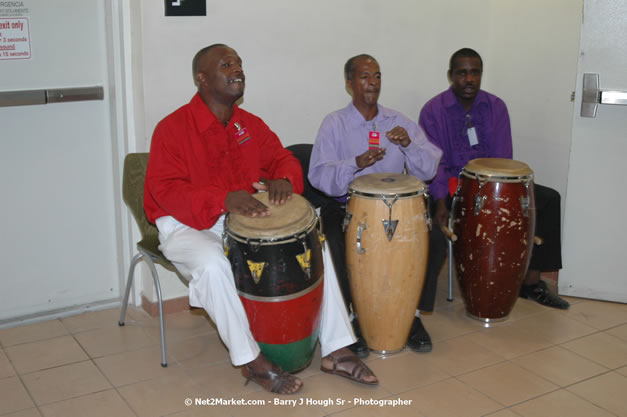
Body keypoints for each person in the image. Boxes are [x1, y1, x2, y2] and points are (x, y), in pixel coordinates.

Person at [143, 44, 378, 395]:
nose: (238, 69)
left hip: (243, 218)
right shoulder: (172, 129)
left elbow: (282, 158)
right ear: (202, 78)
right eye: (227, 64)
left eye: (239, 63)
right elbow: (166, 191)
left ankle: (336, 349)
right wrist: (221, 199)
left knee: (312, 242)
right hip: (186, 224)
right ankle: (252, 361)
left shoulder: (247, 124)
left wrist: (284, 178)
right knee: (211, 266)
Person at [308, 54, 446, 358]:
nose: (373, 82)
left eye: (378, 76)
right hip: (346, 206)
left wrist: (408, 145)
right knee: (332, 240)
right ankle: (351, 319)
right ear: (349, 83)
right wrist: (354, 164)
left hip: (399, 207)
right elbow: (318, 175)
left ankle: (412, 316)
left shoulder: (398, 121)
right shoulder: (334, 123)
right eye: (365, 76)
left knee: (435, 239)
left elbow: (430, 167)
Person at [419, 47, 569, 309]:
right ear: (450, 76)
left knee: (547, 199)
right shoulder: (434, 110)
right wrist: (441, 200)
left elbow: (503, 157)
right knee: (432, 214)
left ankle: (532, 284)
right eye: (462, 73)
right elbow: (434, 164)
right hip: (453, 186)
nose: (469, 79)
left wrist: (499, 191)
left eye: (475, 72)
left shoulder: (495, 106)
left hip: (493, 183)